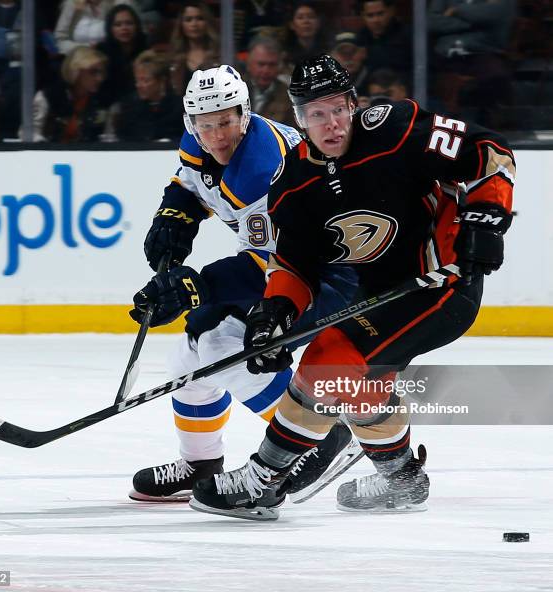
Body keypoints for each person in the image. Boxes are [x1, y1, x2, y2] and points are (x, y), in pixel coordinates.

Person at [189, 54, 515, 520]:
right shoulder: (294, 183)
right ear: (299, 119)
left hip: (443, 284)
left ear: (354, 104)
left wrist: (488, 218)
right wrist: (275, 312)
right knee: (363, 388)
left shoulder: (396, 129)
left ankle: (263, 481)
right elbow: (295, 264)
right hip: (381, 292)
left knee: (328, 358)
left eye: (338, 108)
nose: (332, 124)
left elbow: (491, 152)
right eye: (317, 114)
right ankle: (402, 480)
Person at [127, 64, 359, 502]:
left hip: (332, 273)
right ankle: (200, 461)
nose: (217, 135)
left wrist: (196, 286)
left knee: (225, 345)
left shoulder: (261, 166)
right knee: (191, 350)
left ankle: (316, 436)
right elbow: (191, 183)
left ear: (245, 115)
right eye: (206, 124)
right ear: (190, 123)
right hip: (295, 267)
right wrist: (174, 213)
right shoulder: (198, 146)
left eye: (227, 121)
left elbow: (271, 262)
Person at [30, 45, 108, 142]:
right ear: (75, 71)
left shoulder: (100, 101)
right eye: (93, 72)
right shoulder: (47, 97)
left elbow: (106, 137)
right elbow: (30, 132)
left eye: (101, 72)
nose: (99, 78)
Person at [112, 51, 183, 142]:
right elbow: (122, 137)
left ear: (161, 81)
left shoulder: (179, 107)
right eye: (137, 80)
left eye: (145, 80)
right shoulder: (129, 107)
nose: (139, 85)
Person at [95, 3, 149, 106]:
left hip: (141, 103)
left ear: (137, 25)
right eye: (118, 25)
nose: (124, 28)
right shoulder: (101, 51)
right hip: (108, 104)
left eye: (129, 23)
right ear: (110, 28)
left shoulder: (146, 46)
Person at [168, 2, 219, 96]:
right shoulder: (173, 59)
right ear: (181, 25)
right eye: (188, 20)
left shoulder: (220, 56)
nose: (194, 24)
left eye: (200, 18)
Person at [242, 35, 293, 126]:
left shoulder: (288, 97)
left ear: (279, 66)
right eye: (261, 64)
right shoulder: (235, 89)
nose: (266, 71)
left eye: (272, 65)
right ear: (249, 63)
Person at [354, 0, 412, 79]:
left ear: (391, 11)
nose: (376, 20)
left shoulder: (409, 36)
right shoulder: (360, 39)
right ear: (362, 16)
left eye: (380, 14)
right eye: (370, 15)